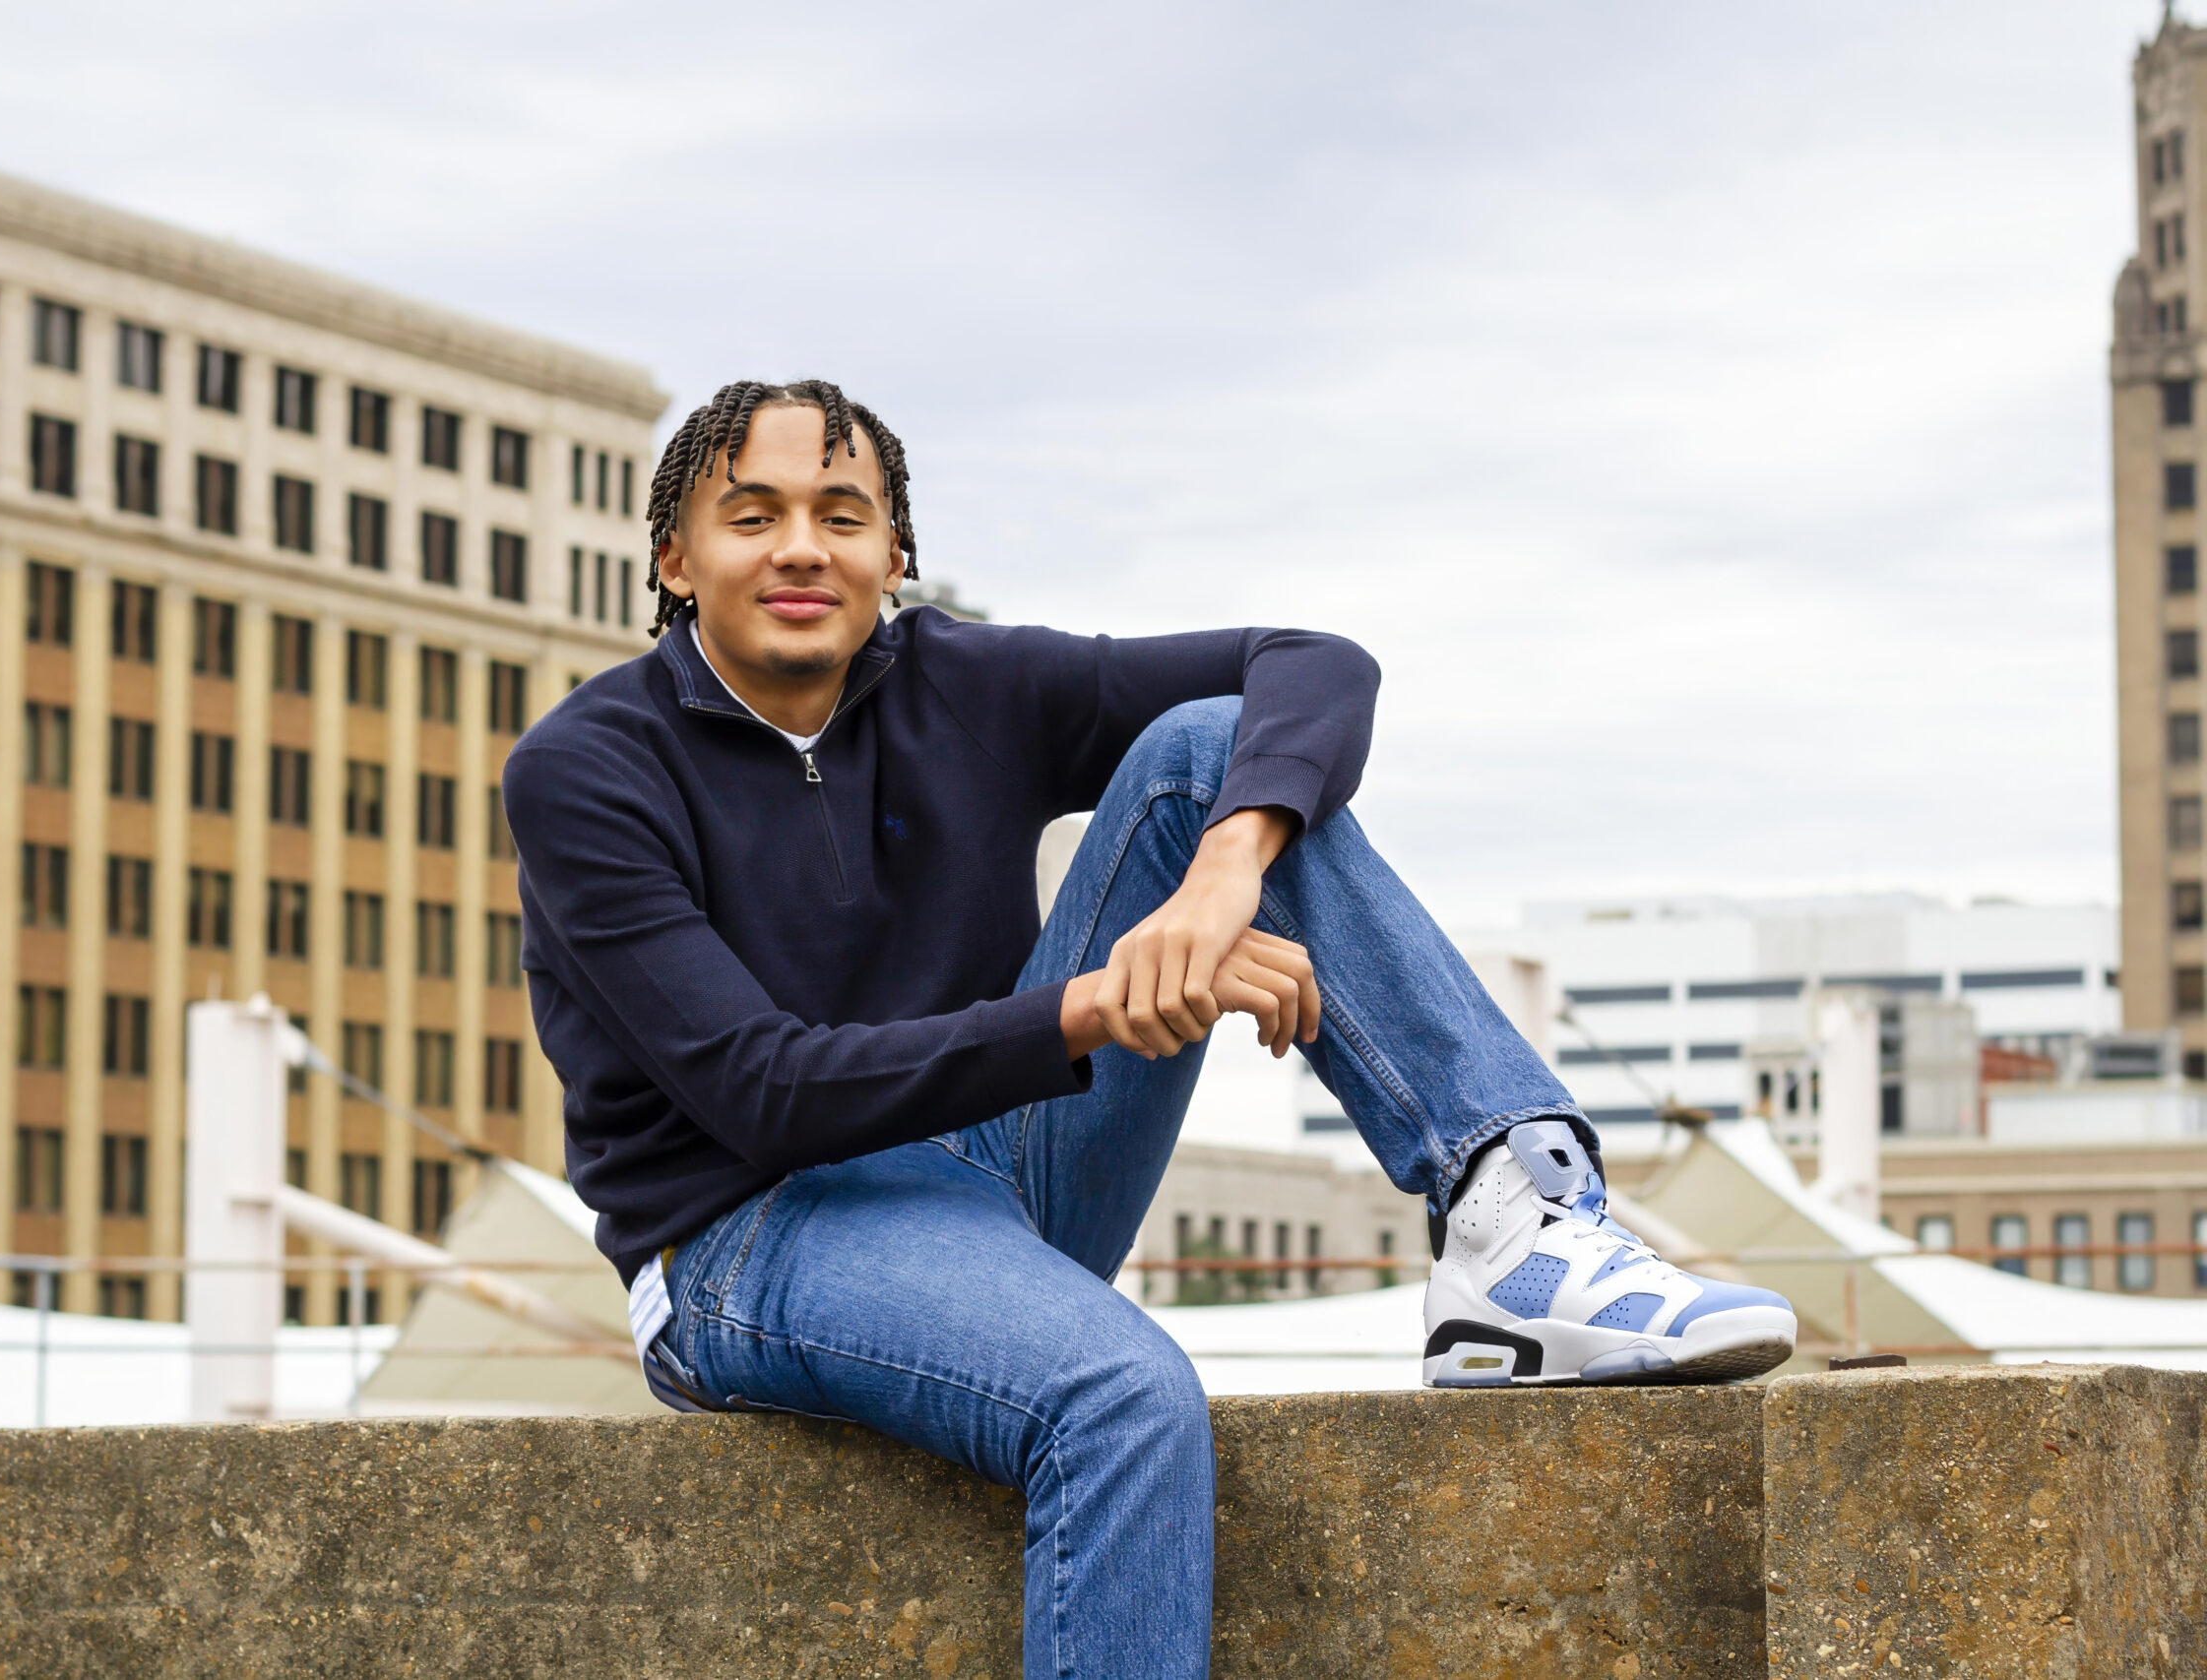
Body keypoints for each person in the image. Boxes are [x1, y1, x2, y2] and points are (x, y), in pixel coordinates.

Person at [503, 379, 1797, 1680]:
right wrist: (1094, 1001)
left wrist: (1225, 871)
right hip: (749, 1236)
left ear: (894, 556)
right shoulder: (590, 769)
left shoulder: (961, 684)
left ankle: (1515, 1226)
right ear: (674, 556)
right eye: (753, 515)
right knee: (1121, 1399)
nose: (800, 548)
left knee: (1213, 750)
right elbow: (761, 1090)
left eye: (842, 515)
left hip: (999, 1175)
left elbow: (1312, 665)